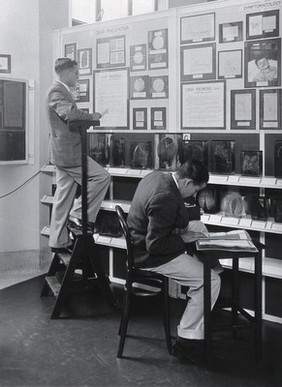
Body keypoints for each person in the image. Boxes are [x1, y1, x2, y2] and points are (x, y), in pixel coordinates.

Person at [127, 160, 221, 363]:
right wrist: (182, 239)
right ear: (187, 183)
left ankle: (207, 277)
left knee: (199, 228)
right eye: (196, 191)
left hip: (144, 238)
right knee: (212, 281)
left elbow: (166, 219)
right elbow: (156, 246)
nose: (195, 196)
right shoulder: (166, 197)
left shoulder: (158, 176)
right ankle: (187, 342)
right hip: (149, 255)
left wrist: (186, 232)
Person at [46, 57, 110, 253]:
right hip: (69, 153)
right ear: (65, 73)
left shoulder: (61, 91)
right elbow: (71, 115)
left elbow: (71, 113)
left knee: (63, 196)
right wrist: (93, 117)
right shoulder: (57, 91)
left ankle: (58, 240)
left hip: (63, 153)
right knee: (102, 177)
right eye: (76, 73)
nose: (78, 76)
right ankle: (78, 214)